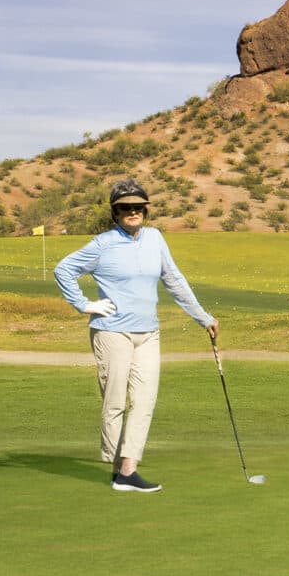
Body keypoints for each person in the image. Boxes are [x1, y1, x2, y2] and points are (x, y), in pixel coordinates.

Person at [53, 179, 218, 493]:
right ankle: (117, 469)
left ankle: (129, 469)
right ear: (115, 212)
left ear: (145, 210)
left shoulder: (155, 238)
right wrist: (84, 304)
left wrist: (203, 317)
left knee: (144, 400)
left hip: (148, 333)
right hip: (112, 333)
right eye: (125, 208)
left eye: (138, 207)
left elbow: (174, 280)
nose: (132, 212)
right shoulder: (103, 244)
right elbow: (63, 270)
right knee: (115, 402)